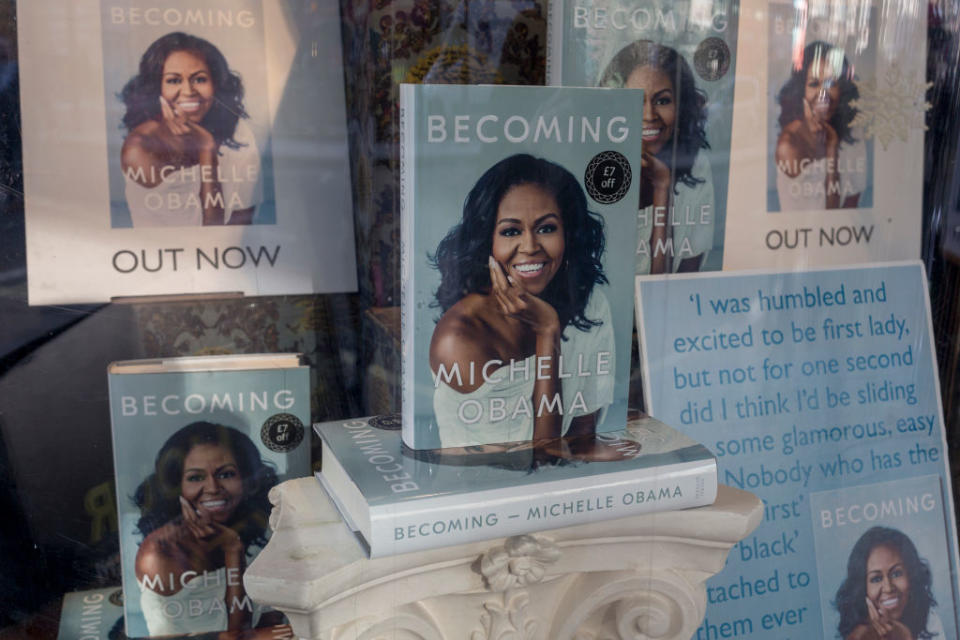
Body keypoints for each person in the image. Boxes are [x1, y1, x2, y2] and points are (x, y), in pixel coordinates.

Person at [428, 154, 615, 449]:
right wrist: (547, 333)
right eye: (511, 231)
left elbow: (582, 438)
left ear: (569, 233)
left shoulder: (590, 304)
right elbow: (542, 459)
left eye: (546, 228)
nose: (530, 246)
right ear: (486, 239)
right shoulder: (460, 339)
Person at [133, 421, 287, 636]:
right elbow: (237, 633)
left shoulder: (255, 521)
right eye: (195, 478)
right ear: (175, 486)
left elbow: (271, 617)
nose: (213, 488)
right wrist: (232, 550)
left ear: (245, 479)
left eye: (226, 474)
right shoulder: (161, 553)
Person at [120, 32, 261, 226]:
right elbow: (207, 233)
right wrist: (206, 149)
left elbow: (242, 226)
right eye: (174, 80)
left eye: (200, 79)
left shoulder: (239, 132)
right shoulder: (141, 147)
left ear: (216, 83)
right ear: (156, 88)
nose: (188, 91)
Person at [599, 40, 714, 274]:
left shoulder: (696, 165)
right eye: (636, 101)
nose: (649, 115)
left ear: (680, 106)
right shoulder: (596, 165)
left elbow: (673, 291)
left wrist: (663, 188)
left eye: (662, 101)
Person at [775, 40, 866, 211]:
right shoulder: (789, 144)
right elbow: (828, 216)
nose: (823, 94)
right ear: (801, 90)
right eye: (814, 84)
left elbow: (852, 201)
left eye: (831, 84)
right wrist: (831, 148)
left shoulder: (853, 128)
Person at [835, 526, 942, 640]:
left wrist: (903, 635)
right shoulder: (859, 636)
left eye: (896, 574)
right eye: (876, 579)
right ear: (862, 588)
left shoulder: (930, 620)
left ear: (911, 575)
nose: (888, 588)